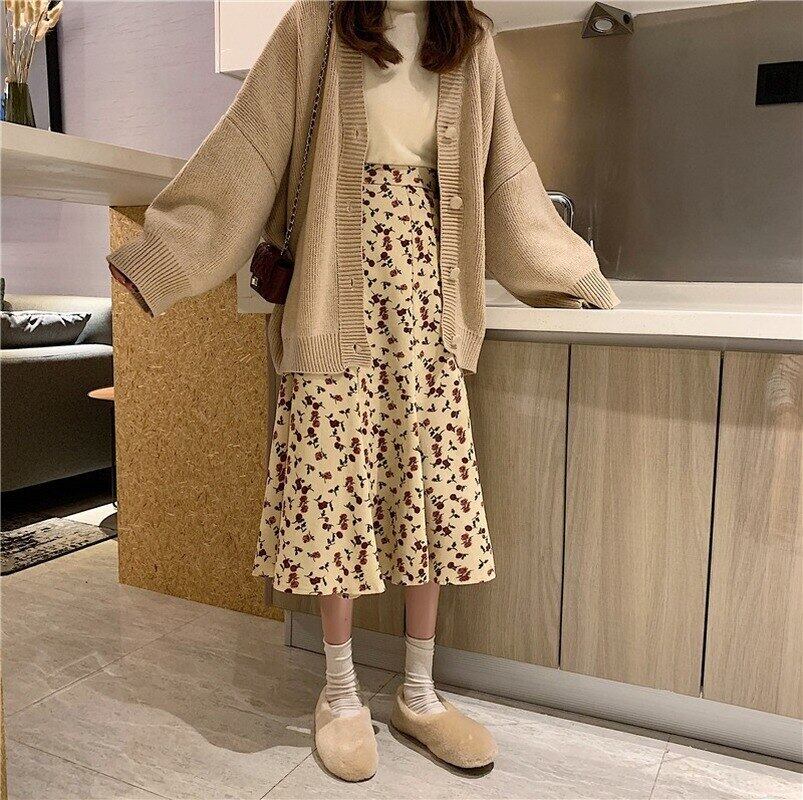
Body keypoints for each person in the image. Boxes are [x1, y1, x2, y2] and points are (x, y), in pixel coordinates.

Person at [108, 0, 619, 782]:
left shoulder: (470, 39)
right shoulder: (317, 23)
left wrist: (571, 272)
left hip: (428, 305)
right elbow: (247, 149)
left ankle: (419, 693)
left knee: (427, 487)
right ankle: (340, 695)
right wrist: (163, 253)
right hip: (328, 296)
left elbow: (505, 175)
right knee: (329, 491)